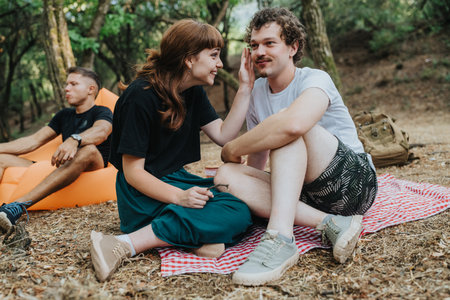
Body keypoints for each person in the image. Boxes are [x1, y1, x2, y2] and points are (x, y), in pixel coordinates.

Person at [216, 8, 378, 286]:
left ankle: (281, 238)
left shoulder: (315, 80)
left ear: (293, 47)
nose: (259, 52)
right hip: (305, 195)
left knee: (285, 130)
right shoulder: (257, 92)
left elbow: (292, 125)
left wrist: (230, 149)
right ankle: (330, 224)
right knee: (225, 177)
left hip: (353, 185)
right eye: (254, 46)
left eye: (269, 43)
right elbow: (257, 157)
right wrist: (246, 194)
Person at [89, 19, 255, 282]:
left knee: (243, 206)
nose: (220, 64)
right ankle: (125, 243)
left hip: (176, 179)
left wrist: (245, 88)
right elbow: (133, 174)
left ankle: (184, 238)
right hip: (141, 193)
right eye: (213, 56)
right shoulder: (139, 97)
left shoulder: (193, 93)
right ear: (189, 59)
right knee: (235, 214)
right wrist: (179, 197)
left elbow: (224, 136)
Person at [0, 67, 113, 233]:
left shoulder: (102, 111)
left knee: (88, 149)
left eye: (73, 84)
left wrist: (75, 139)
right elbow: (33, 140)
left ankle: (17, 206)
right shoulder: (64, 115)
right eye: (66, 84)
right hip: (62, 165)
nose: (67, 88)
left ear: (91, 89)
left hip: (93, 164)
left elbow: (102, 131)